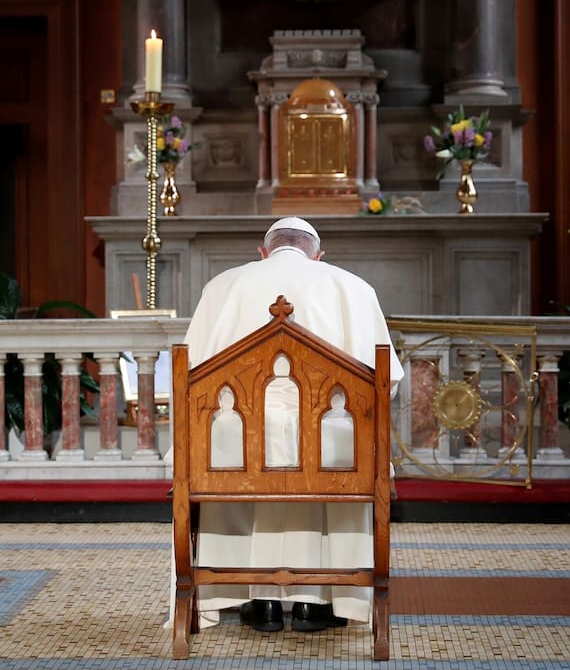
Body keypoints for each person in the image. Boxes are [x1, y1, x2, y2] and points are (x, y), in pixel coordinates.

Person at [169, 216, 405, 634]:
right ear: (318, 255)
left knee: (225, 435)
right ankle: (322, 603)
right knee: (342, 436)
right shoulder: (352, 288)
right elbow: (386, 385)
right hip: (330, 452)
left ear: (262, 253)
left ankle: (256, 602)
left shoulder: (223, 286)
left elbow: (189, 383)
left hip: (236, 449)